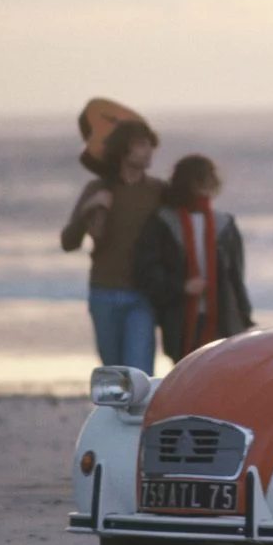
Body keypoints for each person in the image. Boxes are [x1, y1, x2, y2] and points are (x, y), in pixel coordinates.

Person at [61, 119, 165, 374]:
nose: (149, 151)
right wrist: (88, 210)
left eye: (150, 145)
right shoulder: (97, 189)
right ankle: (118, 416)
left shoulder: (159, 191)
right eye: (141, 145)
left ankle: (139, 416)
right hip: (104, 294)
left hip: (143, 295)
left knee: (139, 375)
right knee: (115, 374)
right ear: (123, 150)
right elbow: (68, 242)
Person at [134, 155, 253, 363]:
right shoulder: (163, 222)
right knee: (185, 371)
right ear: (186, 182)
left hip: (222, 316)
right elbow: (148, 269)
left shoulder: (224, 224)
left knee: (221, 370)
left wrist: (244, 315)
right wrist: (182, 287)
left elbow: (236, 275)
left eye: (210, 178)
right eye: (201, 179)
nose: (207, 184)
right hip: (179, 315)